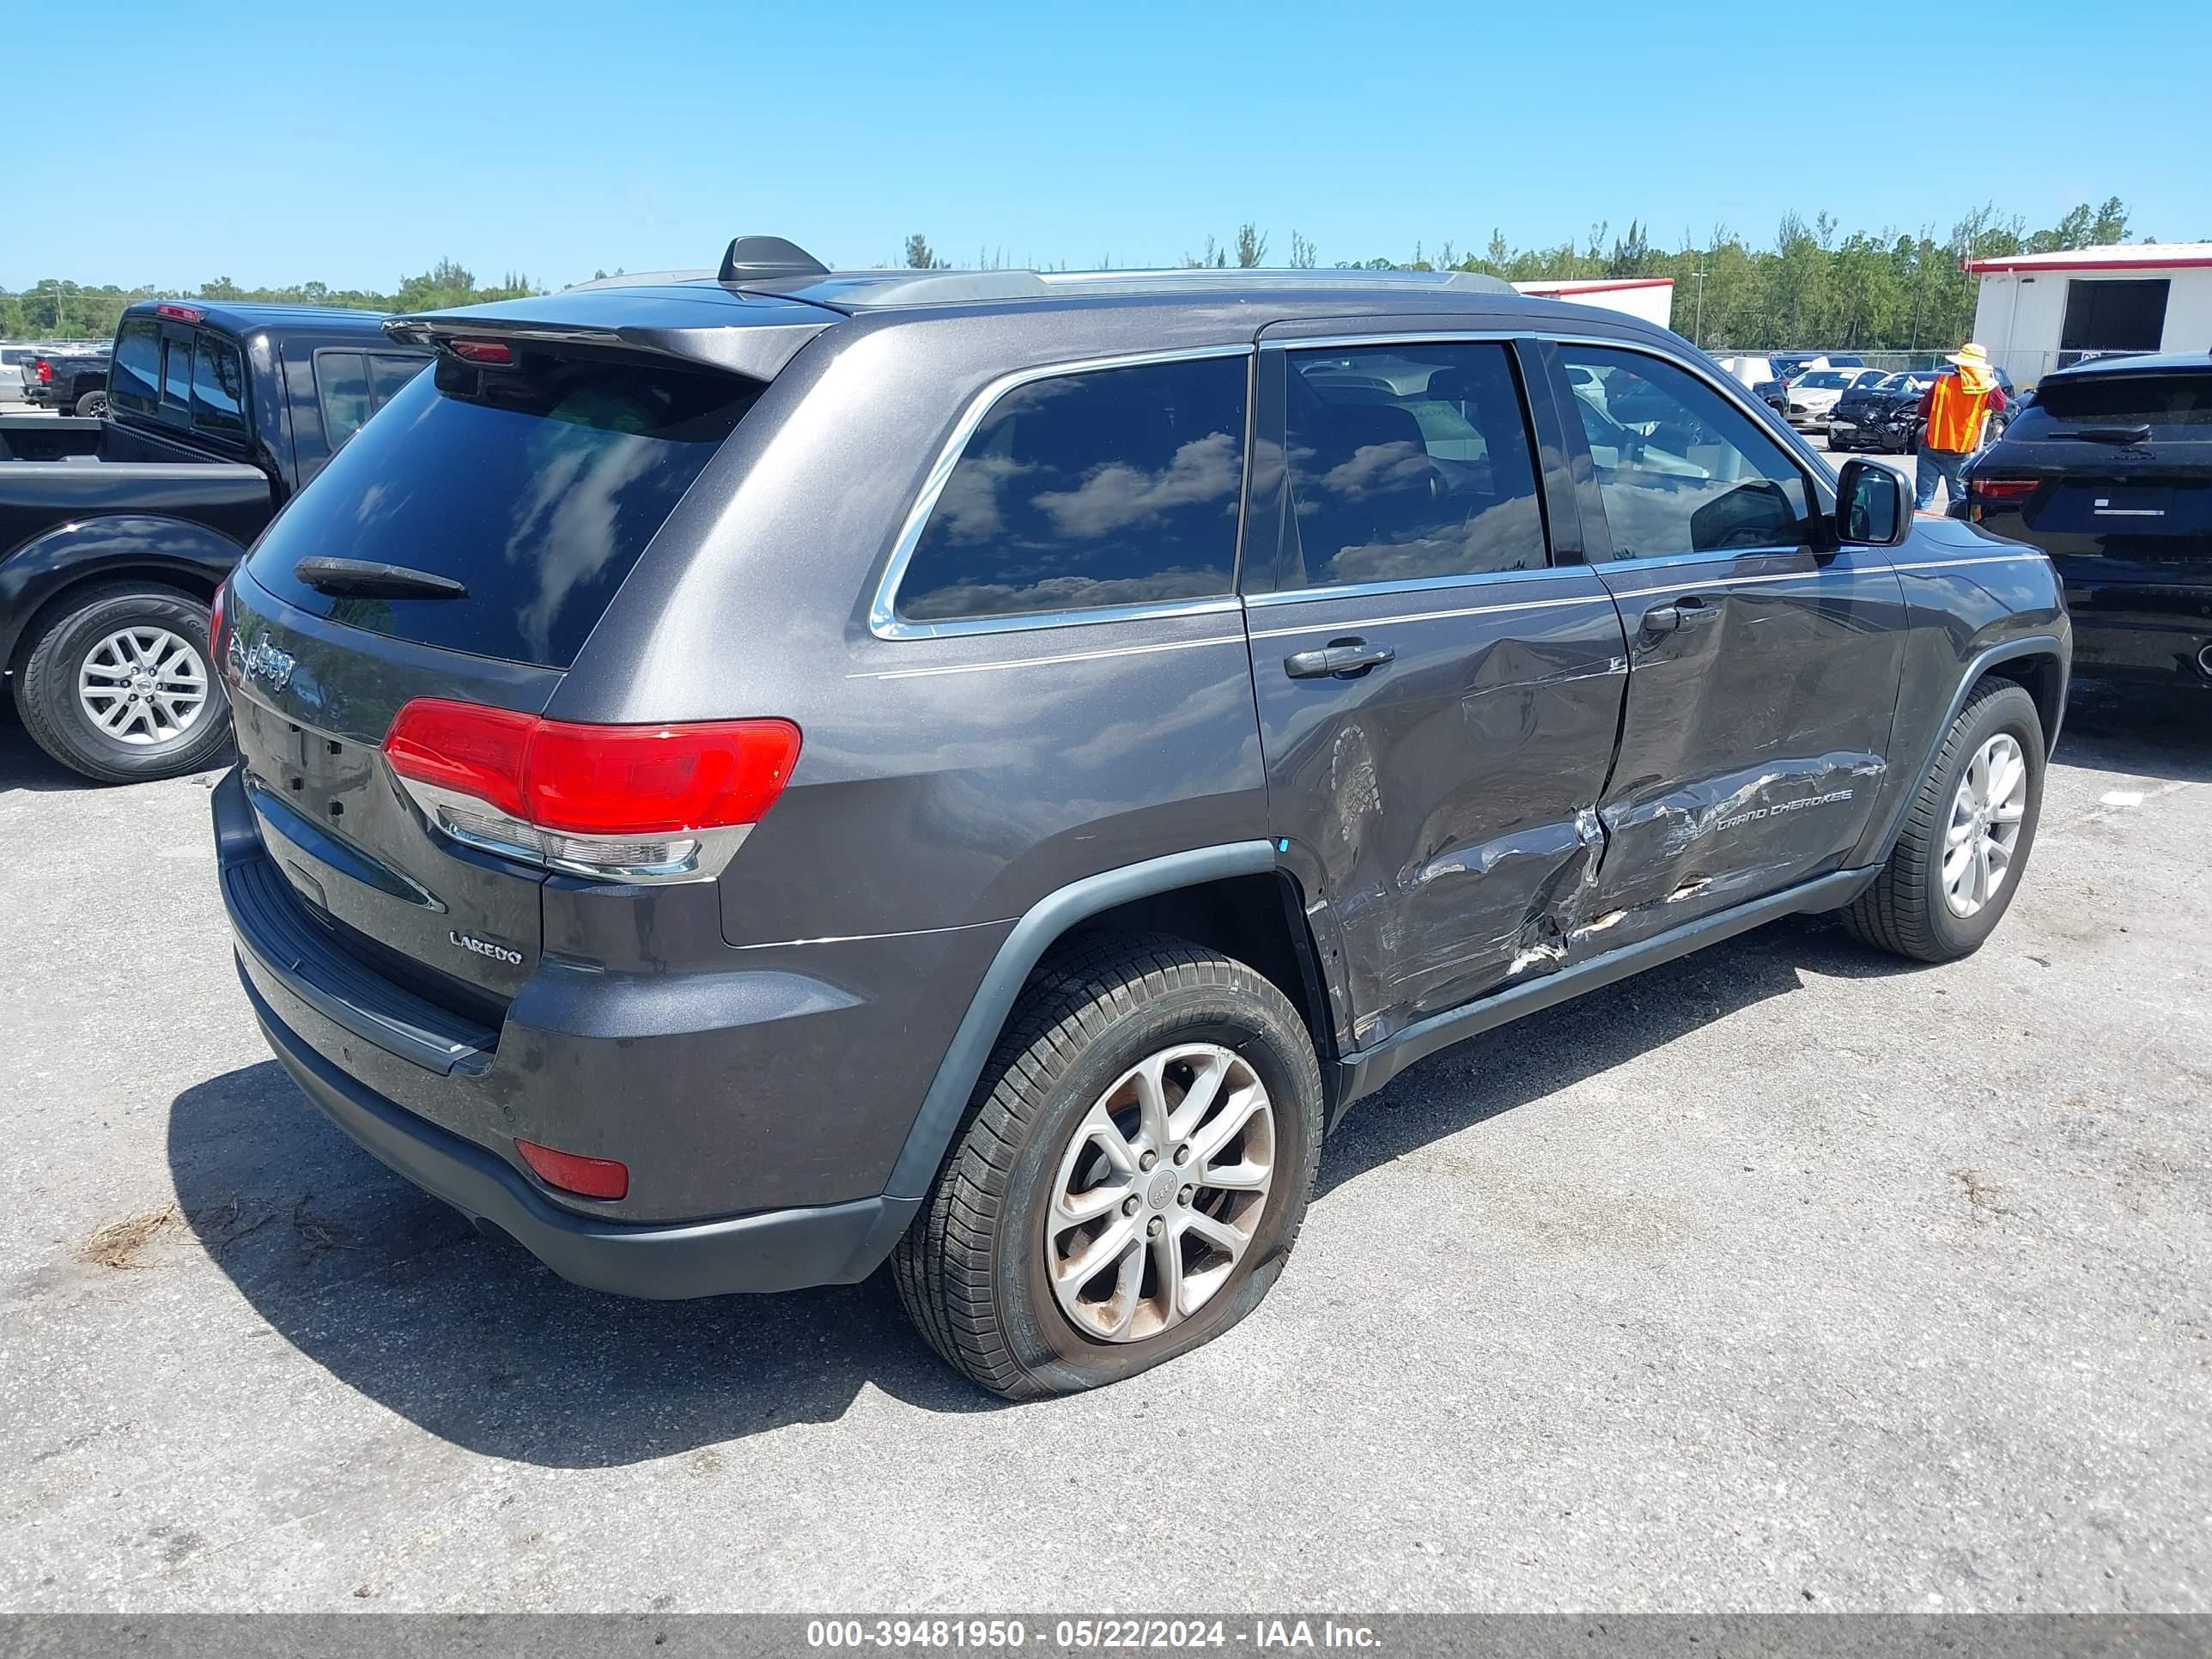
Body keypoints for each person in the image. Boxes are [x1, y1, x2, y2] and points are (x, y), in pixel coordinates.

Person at [1914, 343, 2008, 513]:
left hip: (1931, 447)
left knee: (1923, 501)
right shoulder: (1987, 389)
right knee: (1959, 503)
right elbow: (2001, 406)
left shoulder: (1941, 382)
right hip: (1960, 452)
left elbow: (1922, 411)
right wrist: (1991, 382)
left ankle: (1915, 533)